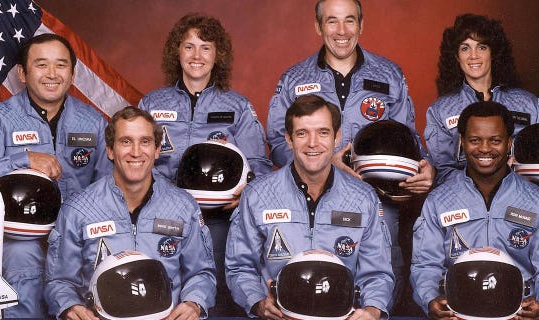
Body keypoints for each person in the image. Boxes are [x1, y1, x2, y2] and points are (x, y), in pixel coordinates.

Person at [265, 0, 433, 308]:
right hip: (309, 198)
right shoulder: (294, 78)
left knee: (380, 278)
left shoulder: (389, 74)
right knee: (316, 277)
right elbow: (277, 140)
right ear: (318, 27)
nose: (341, 31)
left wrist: (425, 168)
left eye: (349, 21)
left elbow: (409, 139)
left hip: (378, 197)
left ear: (361, 24)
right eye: (332, 21)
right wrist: (322, 163)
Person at [0, 33, 111, 318]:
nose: (52, 74)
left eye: (61, 65)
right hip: (21, 239)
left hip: (77, 238)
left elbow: (110, 187)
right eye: (41, 65)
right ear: (23, 73)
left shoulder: (92, 122)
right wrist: (22, 159)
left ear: (73, 73)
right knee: (22, 261)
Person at [138, 13, 272, 316]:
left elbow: (259, 166)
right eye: (189, 47)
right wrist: (163, 194)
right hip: (164, 217)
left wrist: (243, 195)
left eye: (206, 47)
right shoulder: (151, 104)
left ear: (218, 55)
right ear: (176, 51)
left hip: (220, 222)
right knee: (166, 293)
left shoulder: (237, 106)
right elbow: (134, 160)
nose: (196, 56)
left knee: (222, 293)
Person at [226, 95, 395, 320]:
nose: (313, 143)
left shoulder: (363, 198)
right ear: (288, 139)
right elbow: (239, 266)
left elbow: (378, 273)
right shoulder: (257, 195)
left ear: (337, 138)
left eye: (323, 132)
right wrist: (257, 303)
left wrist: (372, 310)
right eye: (302, 133)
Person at [44, 107, 216, 320]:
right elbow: (59, 281)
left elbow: (202, 272)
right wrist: (69, 306)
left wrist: (194, 302)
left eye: (145, 142)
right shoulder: (78, 209)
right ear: (109, 150)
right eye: (126, 141)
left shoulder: (183, 207)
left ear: (157, 150)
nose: (136, 152)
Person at [411, 101, 539, 320]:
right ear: (462, 143)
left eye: (495, 140)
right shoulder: (438, 201)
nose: (485, 149)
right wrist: (429, 299)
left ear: (509, 143)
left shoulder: (537, 201)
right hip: (458, 313)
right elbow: (425, 264)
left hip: (518, 313)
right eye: (475, 140)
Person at [425, 13, 539, 187]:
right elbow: (442, 173)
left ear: (493, 53)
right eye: (465, 48)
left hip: (522, 201)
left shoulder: (526, 103)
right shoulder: (441, 110)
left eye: (482, 47)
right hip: (467, 206)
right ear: (456, 56)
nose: (473, 55)